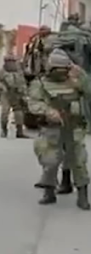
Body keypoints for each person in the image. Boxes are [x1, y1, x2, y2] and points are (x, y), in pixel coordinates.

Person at [29, 48, 91, 210]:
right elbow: (33, 103)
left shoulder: (75, 80)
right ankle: (49, 192)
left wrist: (82, 78)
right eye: (58, 70)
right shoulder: (40, 83)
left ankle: (83, 196)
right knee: (50, 160)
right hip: (52, 129)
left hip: (74, 127)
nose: (62, 73)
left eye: (65, 69)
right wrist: (48, 112)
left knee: (79, 160)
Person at [0, 54, 29, 138]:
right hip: (6, 94)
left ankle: (19, 131)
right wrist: (2, 87)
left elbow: (22, 82)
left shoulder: (19, 71)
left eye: (12, 61)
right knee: (5, 112)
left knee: (19, 113)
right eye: (9, 61)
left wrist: (24, 93)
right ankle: (4, 130)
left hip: (16, 93)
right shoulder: (0, 71)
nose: (11, 63)